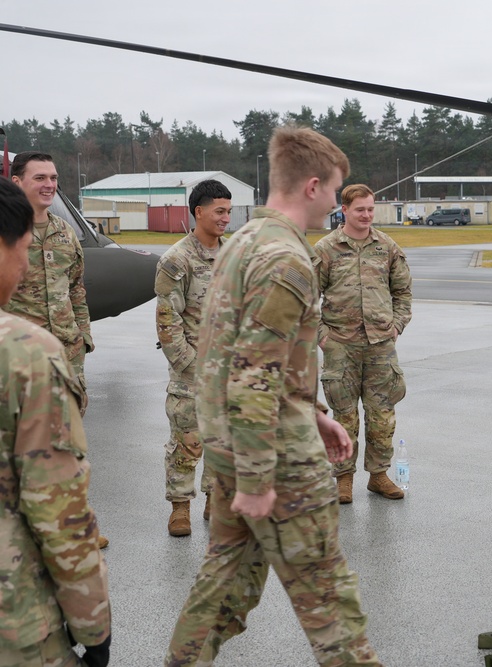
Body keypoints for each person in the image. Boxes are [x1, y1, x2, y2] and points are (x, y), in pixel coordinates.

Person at [164, 127, 381, 667]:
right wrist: (261, 479)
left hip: (234, 446)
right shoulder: (286, 258)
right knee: (332, 603)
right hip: (275, 460)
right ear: (312, 186)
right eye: (335, 190)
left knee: (222, 589)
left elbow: (249, 355)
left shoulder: (243, 242)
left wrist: (313, 414)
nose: (336, 201)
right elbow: (253, 373)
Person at [0, 176, 112, 666]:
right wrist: (94, 628)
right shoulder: (22, 354)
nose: (25, 264)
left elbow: (78, 289)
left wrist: (81, 336)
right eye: (20, 250)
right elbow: (56, 509)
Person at [5, 151, 109, 550]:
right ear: (17, 182)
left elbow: (78, 288)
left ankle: (76, 524)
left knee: (72, 443)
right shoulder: (6, 234)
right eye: (39, 178)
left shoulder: (66, 233)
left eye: (53, 178)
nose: (49, 185)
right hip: (18, 359)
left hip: (66, 356)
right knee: (17, 444)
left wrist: (83, 335)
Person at [314, 183, 412, 504]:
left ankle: (379, 475)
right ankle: (343, 478)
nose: (367, 215)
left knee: (382, 413)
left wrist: (396, 326)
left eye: (370, 209)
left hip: (380, 345)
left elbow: (403, 293)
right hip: (340, 346)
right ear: (344, 210)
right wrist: (322, 336)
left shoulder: (387, 247)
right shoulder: (325, 249)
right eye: (360, 209)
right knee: (344, 415)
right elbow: (303, 300)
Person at [154, 179, 231, 536]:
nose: (226, 218)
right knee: (187, 442)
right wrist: (191, 366)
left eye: (229, 211)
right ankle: (180, 508)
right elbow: (167, 322)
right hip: (191, 370)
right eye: (220, 211)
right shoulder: (176, 260)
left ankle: (215, 501)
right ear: (199, 212)